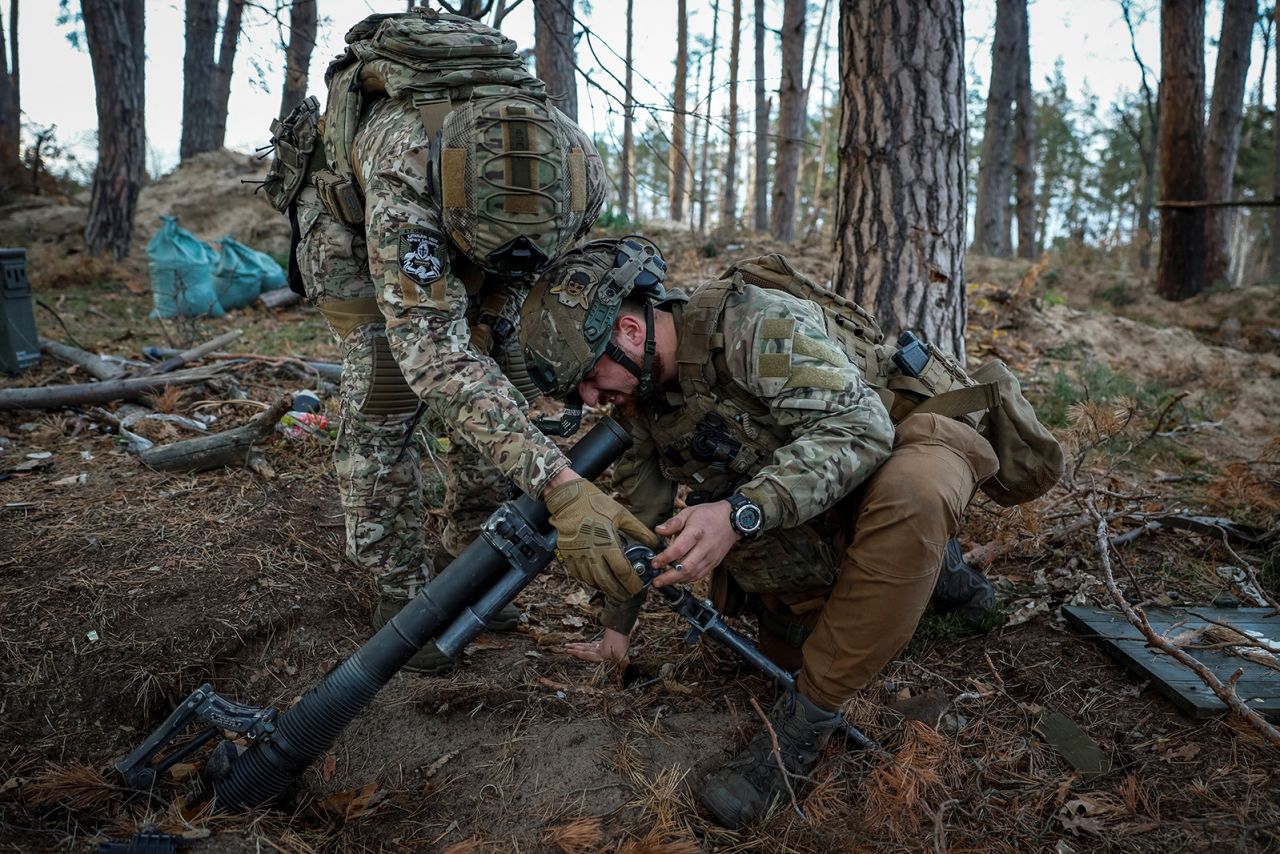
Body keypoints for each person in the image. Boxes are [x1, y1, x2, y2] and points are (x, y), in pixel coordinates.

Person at [519, 237, 1001, 828]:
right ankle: (927, 575)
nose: (592, 400)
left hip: (899, 452)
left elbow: (862, 430)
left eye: (590, 379)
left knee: (913, 500)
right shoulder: (641, 404)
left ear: (629, 331)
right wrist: (617, 630)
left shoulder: (751, 324)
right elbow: (640, 517)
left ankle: (801, 733)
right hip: (813, 510)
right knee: (791, 644)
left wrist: (737, 514)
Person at [282, 10, 658, 674]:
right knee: (387, 391)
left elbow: (556, 283)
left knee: (503, 375)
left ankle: (476, 563)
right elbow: (428, 347)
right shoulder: (404, 165)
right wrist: (557, 481)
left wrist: (507, 339)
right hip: (349, 227)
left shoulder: (577, 171)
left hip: (486, 231)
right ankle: (402, 598)